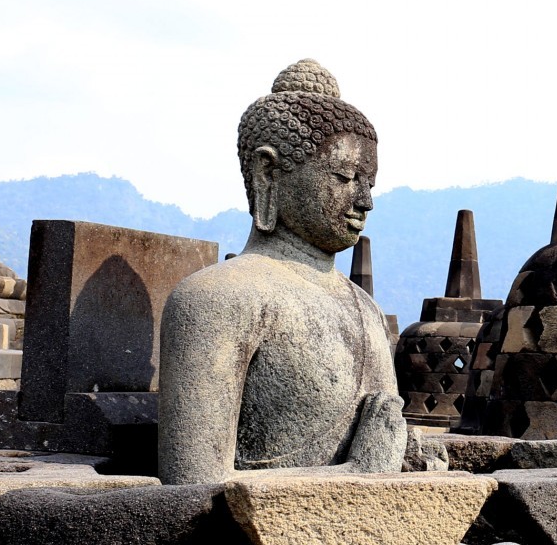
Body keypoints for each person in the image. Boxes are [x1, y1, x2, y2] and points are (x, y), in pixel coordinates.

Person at [155, 60, 405, 485]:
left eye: (370, 183)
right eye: (345, 177)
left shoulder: (367, 309)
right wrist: (360, 474)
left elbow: (385, 447)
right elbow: (194, 484)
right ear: (268, 172)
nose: (365, 201)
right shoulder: (217, 299)